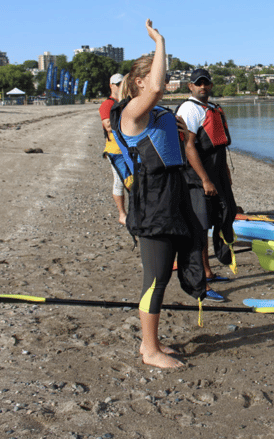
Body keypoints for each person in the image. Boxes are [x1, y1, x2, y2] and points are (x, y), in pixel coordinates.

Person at [110, 19, 204, 369]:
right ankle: (149, 350)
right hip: (153, 205)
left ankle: (152, 344)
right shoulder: (132, 112)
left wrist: (181, 134)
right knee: (155, 279)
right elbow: (156, 92)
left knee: (162, 274)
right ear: (139, 82)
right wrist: (160, 41)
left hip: (171, 197)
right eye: (156, 76)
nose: (164, 82)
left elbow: (171, 146)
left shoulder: (154, 114)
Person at [175, 68, 236, 302]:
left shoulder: (211, 108)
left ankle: (209, 272)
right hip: (198, 177)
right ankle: (200, 282)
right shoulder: (190, 109)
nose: (203, 87)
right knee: (199, 229)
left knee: (220, 218)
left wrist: (224, 174)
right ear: (190, 87)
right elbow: (189, 146)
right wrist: (205, 179)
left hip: (216, 174)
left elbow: (219, 148)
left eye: (206, 83)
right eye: (198, 84)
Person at [98, 73, 128, 225]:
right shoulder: (107, 104)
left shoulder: (127, 102)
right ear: (111, 86)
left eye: (122, 83)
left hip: (129, 149)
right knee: (119, 182)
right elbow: (108, 126)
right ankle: (122, 214)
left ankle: (134, 211)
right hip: (114, 150)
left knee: (132, 181)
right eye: (117, 84)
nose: (120, 86)